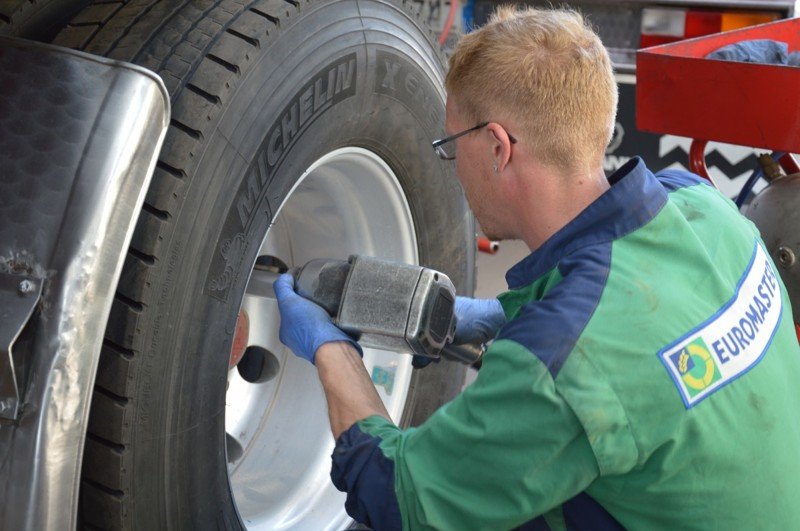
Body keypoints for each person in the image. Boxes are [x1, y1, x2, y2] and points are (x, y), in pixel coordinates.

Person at [273, 6, 800, 530]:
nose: (453, 167)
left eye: (451, 146)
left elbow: (396, 498)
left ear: (498, 147)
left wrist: (332, 351)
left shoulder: (562, 366)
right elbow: (630, 308)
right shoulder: (704, 206)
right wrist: (500, 317)